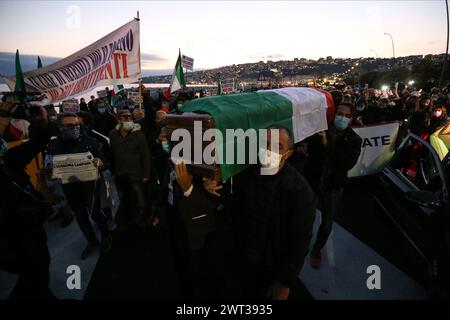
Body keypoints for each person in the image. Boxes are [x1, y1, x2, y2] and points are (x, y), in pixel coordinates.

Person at [231, 125, 317, 299]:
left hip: (271, 269)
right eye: (266, 143)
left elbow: (301, 240)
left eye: (278, 146)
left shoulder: (300, 191)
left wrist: (285, 282)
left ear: (289, 153)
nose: (269, 150)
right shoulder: (247, 175)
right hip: (244, 261)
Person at [0, 101, 56, 299]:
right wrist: (4, 116)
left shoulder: (9, 161)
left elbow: (37, 143)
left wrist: (40, 121)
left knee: (39, 269)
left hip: (31, 227)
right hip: (11, 238)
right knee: (30, 276)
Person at [304, 103, 362, 269]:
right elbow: (312, 155)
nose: (341, 117)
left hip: (333, 187)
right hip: (314, 182)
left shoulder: (354, 140)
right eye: (339, 113)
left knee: (327, 223)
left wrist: (327, 145)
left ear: (351, 118)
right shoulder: (321, 130)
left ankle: (317, 249)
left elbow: (346, 164)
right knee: (306, 218)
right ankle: (301, 246)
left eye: (346, 115)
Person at [46, 113, 111, 259]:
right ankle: (92, 241)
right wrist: (50, 172)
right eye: (70, 126)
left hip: (91, 187)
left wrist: (100, 163)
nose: (75, 128)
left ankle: (106, 236)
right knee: (81, 217)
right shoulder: (53, 146)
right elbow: (48, 170)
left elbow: (105, 163)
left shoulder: (91, 142)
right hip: (71, 190)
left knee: (96, 214)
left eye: (77, 125)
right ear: (61, 128)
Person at [109, 109, 152, 231]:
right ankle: (129, 220)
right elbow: (112, 154)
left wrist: (146, 174)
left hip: (136, 174)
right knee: (125, 199)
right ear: (118, 120)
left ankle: (142, 221)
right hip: (120, 174)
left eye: (130, 117)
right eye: (125, 117)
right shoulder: (112, 134)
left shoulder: (139, 135)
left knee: (140, 200)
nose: (128, 119)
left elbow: (146, 156)